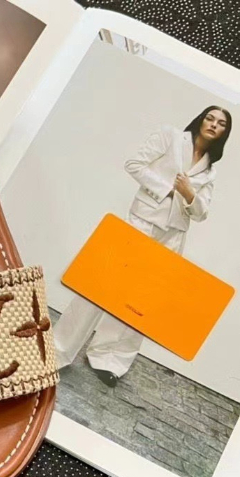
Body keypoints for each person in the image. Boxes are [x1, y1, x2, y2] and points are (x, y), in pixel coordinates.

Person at [54, 106, 232, 385]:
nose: (213, 124)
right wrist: (169, 189)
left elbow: (201, 213)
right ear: (200, 120)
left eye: (221, 123)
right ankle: (59, 349)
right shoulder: (170, 136)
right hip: (141, 221)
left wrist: (189, 195)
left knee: (139, 302)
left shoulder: (211, 170)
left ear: (224, 133)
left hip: (173, 236)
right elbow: (134, 164)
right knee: (99, 286)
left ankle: (109, 359)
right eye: (210, 118)